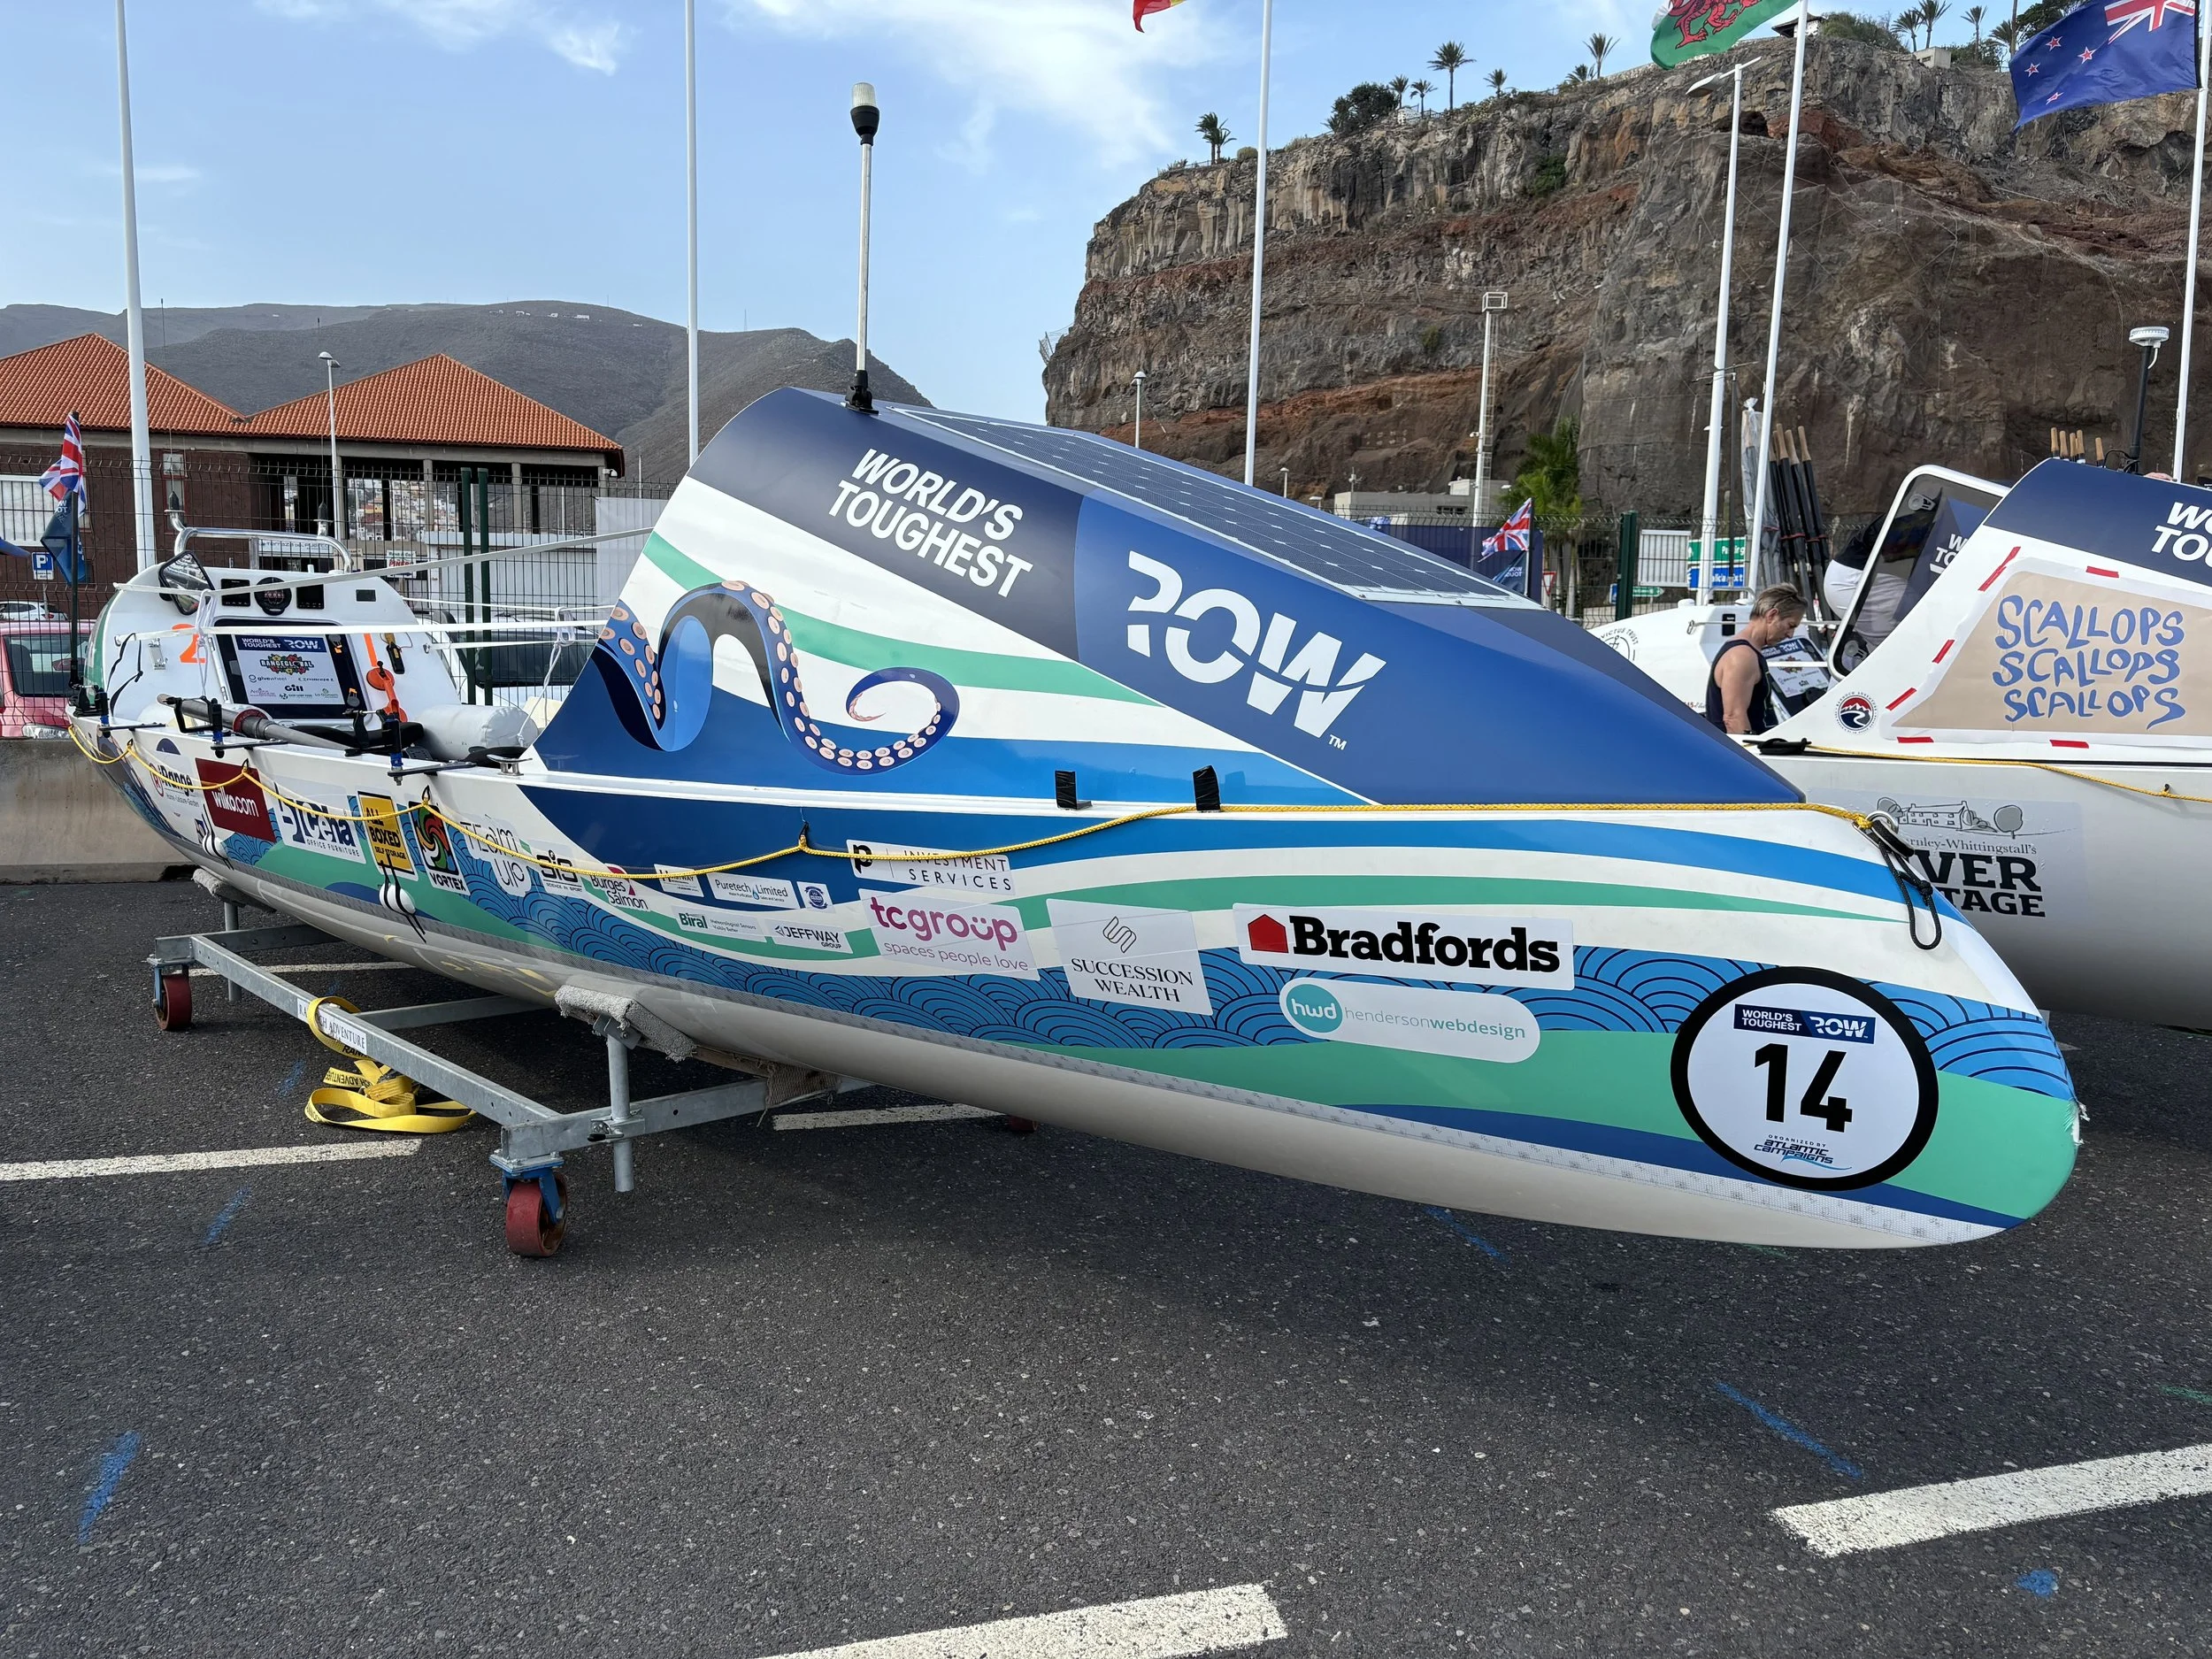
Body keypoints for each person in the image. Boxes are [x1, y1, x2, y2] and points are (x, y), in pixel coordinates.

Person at [1705, 584, 1807, 735]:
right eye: (1790, 625)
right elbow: (1733, 719)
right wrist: (1747, 757)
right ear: (1771, 615)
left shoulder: (1749, 652)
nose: (1790, 635)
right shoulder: (1742, 656)